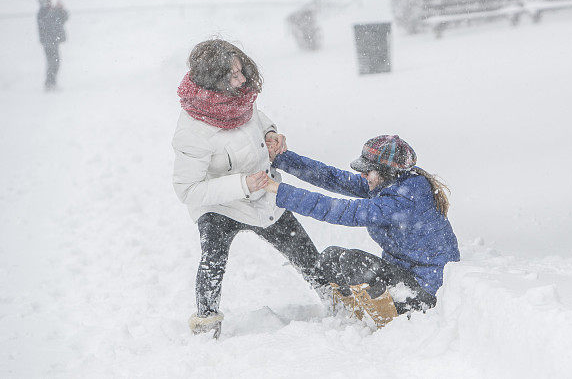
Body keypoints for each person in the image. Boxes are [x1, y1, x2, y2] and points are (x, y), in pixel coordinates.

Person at [172, 39, 323, 338]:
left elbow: (257, 117)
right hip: (220, 204)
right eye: (233, 75)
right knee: (213, 260)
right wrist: (240, 184)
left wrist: (270, 133)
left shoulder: (237, 98)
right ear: (213, 81)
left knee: (304, 252)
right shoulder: (191, 132)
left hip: (263, 194)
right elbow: (187, 190)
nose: (241, 80)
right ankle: (206, 325)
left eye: (241, 71)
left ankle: (337, 299)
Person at [261, 135, 460, 327]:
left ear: (387, 172)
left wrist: (279, 190)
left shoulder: (403, 200)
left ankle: (388, 325)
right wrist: (281, 158)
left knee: (354, 263)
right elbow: (333, 178)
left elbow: (339, 210)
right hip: (402, 277)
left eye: (368, 171)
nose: (363, 176)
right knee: (330, 257)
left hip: (426, 292)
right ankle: (350, 315)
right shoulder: (392, 184)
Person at [36, 0, 68, 91]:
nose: (49, 2)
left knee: (54, 62)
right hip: (49, 41)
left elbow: (64, 18)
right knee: (53, 62)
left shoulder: (51, 11)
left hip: (53, 41)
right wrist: (57, 10)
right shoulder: (43, 12)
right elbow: (50, 22)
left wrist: (60, 9)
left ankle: (50, 83)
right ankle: (50, 84)